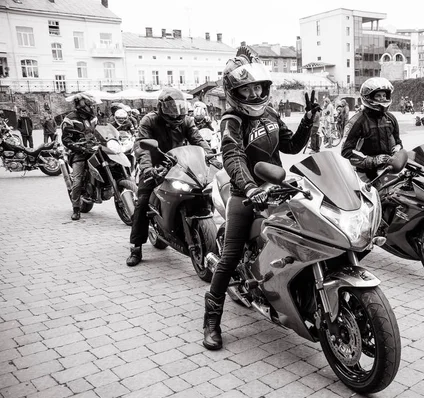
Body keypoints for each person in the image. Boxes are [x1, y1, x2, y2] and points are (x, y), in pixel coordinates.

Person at [202, 47, 320, 350]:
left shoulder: (269, 112)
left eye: (258, 87)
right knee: (229, 259)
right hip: (247, 195)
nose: (254, 93)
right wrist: (251, 187)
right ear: (235, 92)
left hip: (279, 188)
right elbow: (234, 157)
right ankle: (211, 321)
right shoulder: (231, 121)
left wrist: (308, 121)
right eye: (247, 89)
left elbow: (291, 146)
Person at [126, 87, 217, 267]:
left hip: (179, 162)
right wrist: (147, 169)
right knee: (143, 202)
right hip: (155, 165)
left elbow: (198, 141)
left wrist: (210, 157)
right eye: (170, 109)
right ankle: (136, 247)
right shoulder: (149, 121)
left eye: (179, 109)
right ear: (161, 107)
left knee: (202, 187)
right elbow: (142, 148)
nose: (175, 114)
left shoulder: (187, 121)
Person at [341, 77, 403, 184]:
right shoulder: (357, 121)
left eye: (384, 95)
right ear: (368, 97)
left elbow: (398, 142)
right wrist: (372, 160)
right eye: (378, 95)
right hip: (365, 174)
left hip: (387, 170)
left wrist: (398, 148)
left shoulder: (391, 118)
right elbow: (346, 152)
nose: (382, 98)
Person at [60, 92, 103, 220]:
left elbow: (100, 132)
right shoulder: (70, 118)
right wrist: (79, 148)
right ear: (81, 104)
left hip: (93, 150)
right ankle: (76, 208)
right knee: (77, 180)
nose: (92, 107)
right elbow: (66, 140)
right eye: (90, 104)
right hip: (78, 153)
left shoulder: (93, 118)